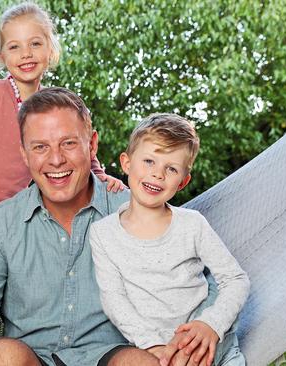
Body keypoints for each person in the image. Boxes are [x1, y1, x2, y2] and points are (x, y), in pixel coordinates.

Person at [0, 87, 228, 366]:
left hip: (110, 354)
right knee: (0, 355)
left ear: (92, 145)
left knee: (139, 363)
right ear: (24, 153)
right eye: (40, 147)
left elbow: (203, 279)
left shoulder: (134, 208)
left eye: (68, 143)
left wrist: (204, 325)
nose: (55, 160)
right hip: (31, 356)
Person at [89, 114, 250, 366]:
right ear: (126, 163)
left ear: (183, 181)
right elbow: (114, 299)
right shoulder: (103, 233)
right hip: (151, 349)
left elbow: (236, 280)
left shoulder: (192, 224)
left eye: (171, 168)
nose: (157, 174)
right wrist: (151, 344)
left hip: (206, 344)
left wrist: (211, 325)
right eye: (149, 161)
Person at [0, 2, 123, 210]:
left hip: (8, 208)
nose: (25, 53)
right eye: (14, 47)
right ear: (2, 56)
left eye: (35, 44)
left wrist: (99, 176)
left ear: (50, 48)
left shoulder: (51, 105)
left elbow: (78, 142)